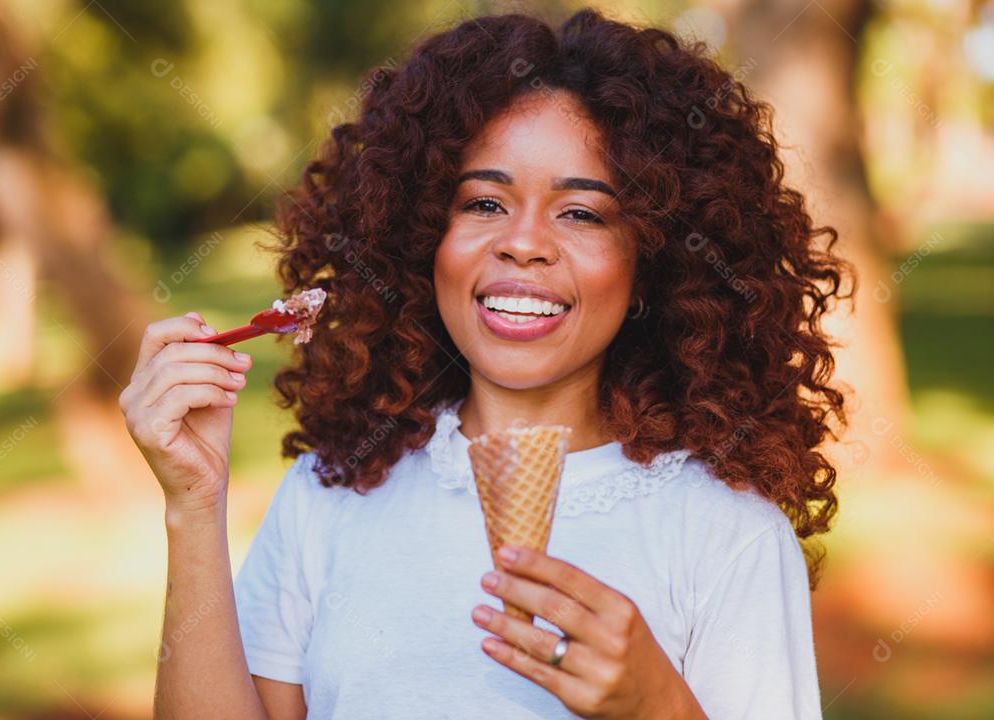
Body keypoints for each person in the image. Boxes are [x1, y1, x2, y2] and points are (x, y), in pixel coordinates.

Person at [119, 7, 854, 719]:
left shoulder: (727, 533)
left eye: (582, 213)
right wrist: (192, 506)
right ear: (419, 240)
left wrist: (655, 707)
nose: (524, 242)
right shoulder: (330, 495)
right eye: (483, 203)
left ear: (651, 266)